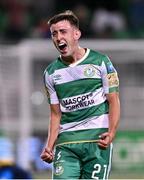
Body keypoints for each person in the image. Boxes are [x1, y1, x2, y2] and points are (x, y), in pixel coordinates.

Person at [40, 10, 120, 179]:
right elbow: (55, 114)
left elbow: (113, 101)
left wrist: (111, 133)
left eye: (63, 32)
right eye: (54, 34)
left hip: (97, 142)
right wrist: (49, 146)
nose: (58, 37)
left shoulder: (101, 62)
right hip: (66, 143)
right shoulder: (50, 73)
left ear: (76, 34)